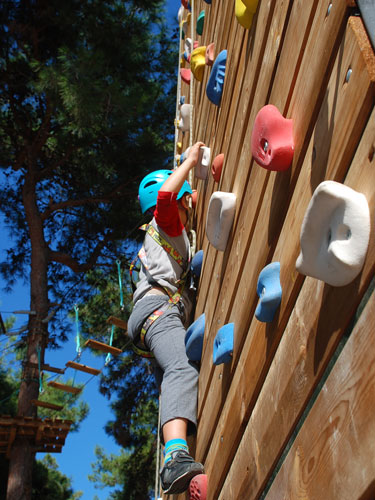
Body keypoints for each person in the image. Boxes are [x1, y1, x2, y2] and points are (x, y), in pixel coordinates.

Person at [127, 141, 205, 495]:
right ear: (184, 201)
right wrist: (189, 161)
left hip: (148, 316)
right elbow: (166, 199)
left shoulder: (155, 239)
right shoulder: (170, 225)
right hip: (159, 311)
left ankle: (178, 448)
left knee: (171, 383)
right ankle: (175, 459)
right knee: (182, 369)